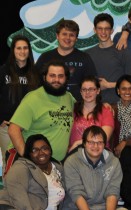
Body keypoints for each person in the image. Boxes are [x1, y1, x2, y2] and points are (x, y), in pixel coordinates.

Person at [6, 60, 75, 173]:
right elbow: (13, 130)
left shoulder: (68, 98)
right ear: (44, 77)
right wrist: (29, 159)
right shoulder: (33, 98)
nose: (56, 80)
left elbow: (85, 108)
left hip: (54, 165)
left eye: (60, 76)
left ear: (66, 78)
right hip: (28, 162)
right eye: (52, 76)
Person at [0, 35, 39, 175]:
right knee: (9, 163)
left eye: (25, 48)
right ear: (13, 51)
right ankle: (8, 196)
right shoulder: (3, 71)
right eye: (19, 48)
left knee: (29, 163)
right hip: (7, 128)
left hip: (30, 127)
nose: (22, 51)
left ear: (29, 51)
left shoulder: (36, 74)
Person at [35, 19, 97, 100]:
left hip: (77, 107)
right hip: (49, 105)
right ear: (57, 36)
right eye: (64, 34)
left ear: (76, 38)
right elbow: (35, 83)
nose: (68, 38)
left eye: (71, 35)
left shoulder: (85, 58)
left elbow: (93, 85)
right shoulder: (45, 57)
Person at [63, 125, 122, 210]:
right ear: (84, 143)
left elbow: (112, 191)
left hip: (103, 207)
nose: (95, 146)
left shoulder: (114, 162)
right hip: (76, 207)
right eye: (91, 142)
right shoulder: (72, 162)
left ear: (105, 144)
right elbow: (76, 193)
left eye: (99, 142)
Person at [0, 134, 65, 209]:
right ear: (29, 153)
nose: (41, 153)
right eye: (35, 150)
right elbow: (18, 200)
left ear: (50, 150)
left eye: (45, 148)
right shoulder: (20, 168)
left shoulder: (57, 167)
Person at [86, 13, 131, 104]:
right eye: (100, 28)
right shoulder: (88, 54)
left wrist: (108, 85)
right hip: (95, 106)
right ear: (94, 30)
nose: (103, 32)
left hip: (119, 105)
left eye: (107, 29)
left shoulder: (122, 51)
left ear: (112, 31)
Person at [69, 76, 114, 152]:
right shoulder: (73, 109)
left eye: (91, 89)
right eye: (84, 89)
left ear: (98, 91)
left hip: (98, 153)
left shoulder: (106, 111)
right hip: (75, 155)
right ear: (80, 92)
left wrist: (78, 143)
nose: (87, 92)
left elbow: (103, 138)